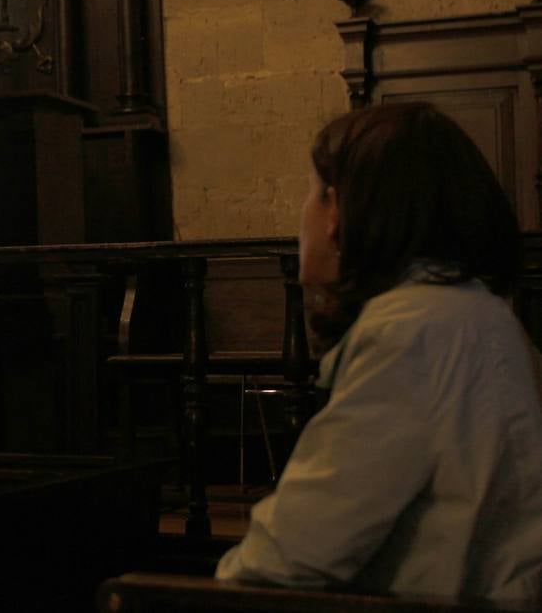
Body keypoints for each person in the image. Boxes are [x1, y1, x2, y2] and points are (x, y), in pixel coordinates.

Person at [216, 101, 542, 603]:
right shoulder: (480, 312)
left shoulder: (409, 333)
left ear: (338, 211)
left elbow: (293, 553)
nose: (302, 214)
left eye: (311, 192)